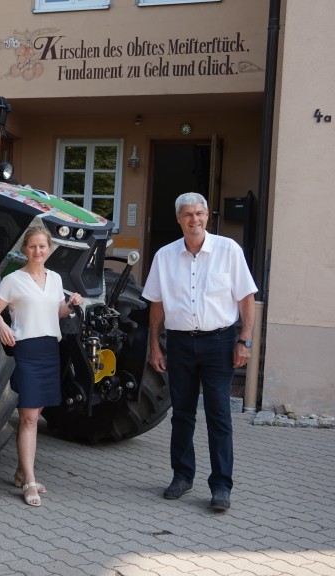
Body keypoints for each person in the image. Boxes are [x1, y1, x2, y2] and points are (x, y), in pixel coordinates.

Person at [142, 192, 257, 512]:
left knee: (219, 414)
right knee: (181, 414)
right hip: (179, 343)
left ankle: (221, 485)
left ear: (208, 215)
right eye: (188, 215)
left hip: (219, 343)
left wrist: (244, 341)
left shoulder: (228, 251)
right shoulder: (164, 256)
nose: (194, 220)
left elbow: (246, 299)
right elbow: (156, 304)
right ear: (178, 219)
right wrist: (155, 344)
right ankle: (182, 476)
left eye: (199, 213)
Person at [0, 225, 83, 507]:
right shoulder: (13, 279)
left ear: (49, 249)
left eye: (42, 246)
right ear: (24, 249)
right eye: (32, 246)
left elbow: (56, 312)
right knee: (28, 417)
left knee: (36, 414)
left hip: (49, 349)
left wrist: (71, 303)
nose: (38, 251)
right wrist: (2, 324)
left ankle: (21, 471)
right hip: (26, 349)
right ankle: (29, 480)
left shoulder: (54, 279)